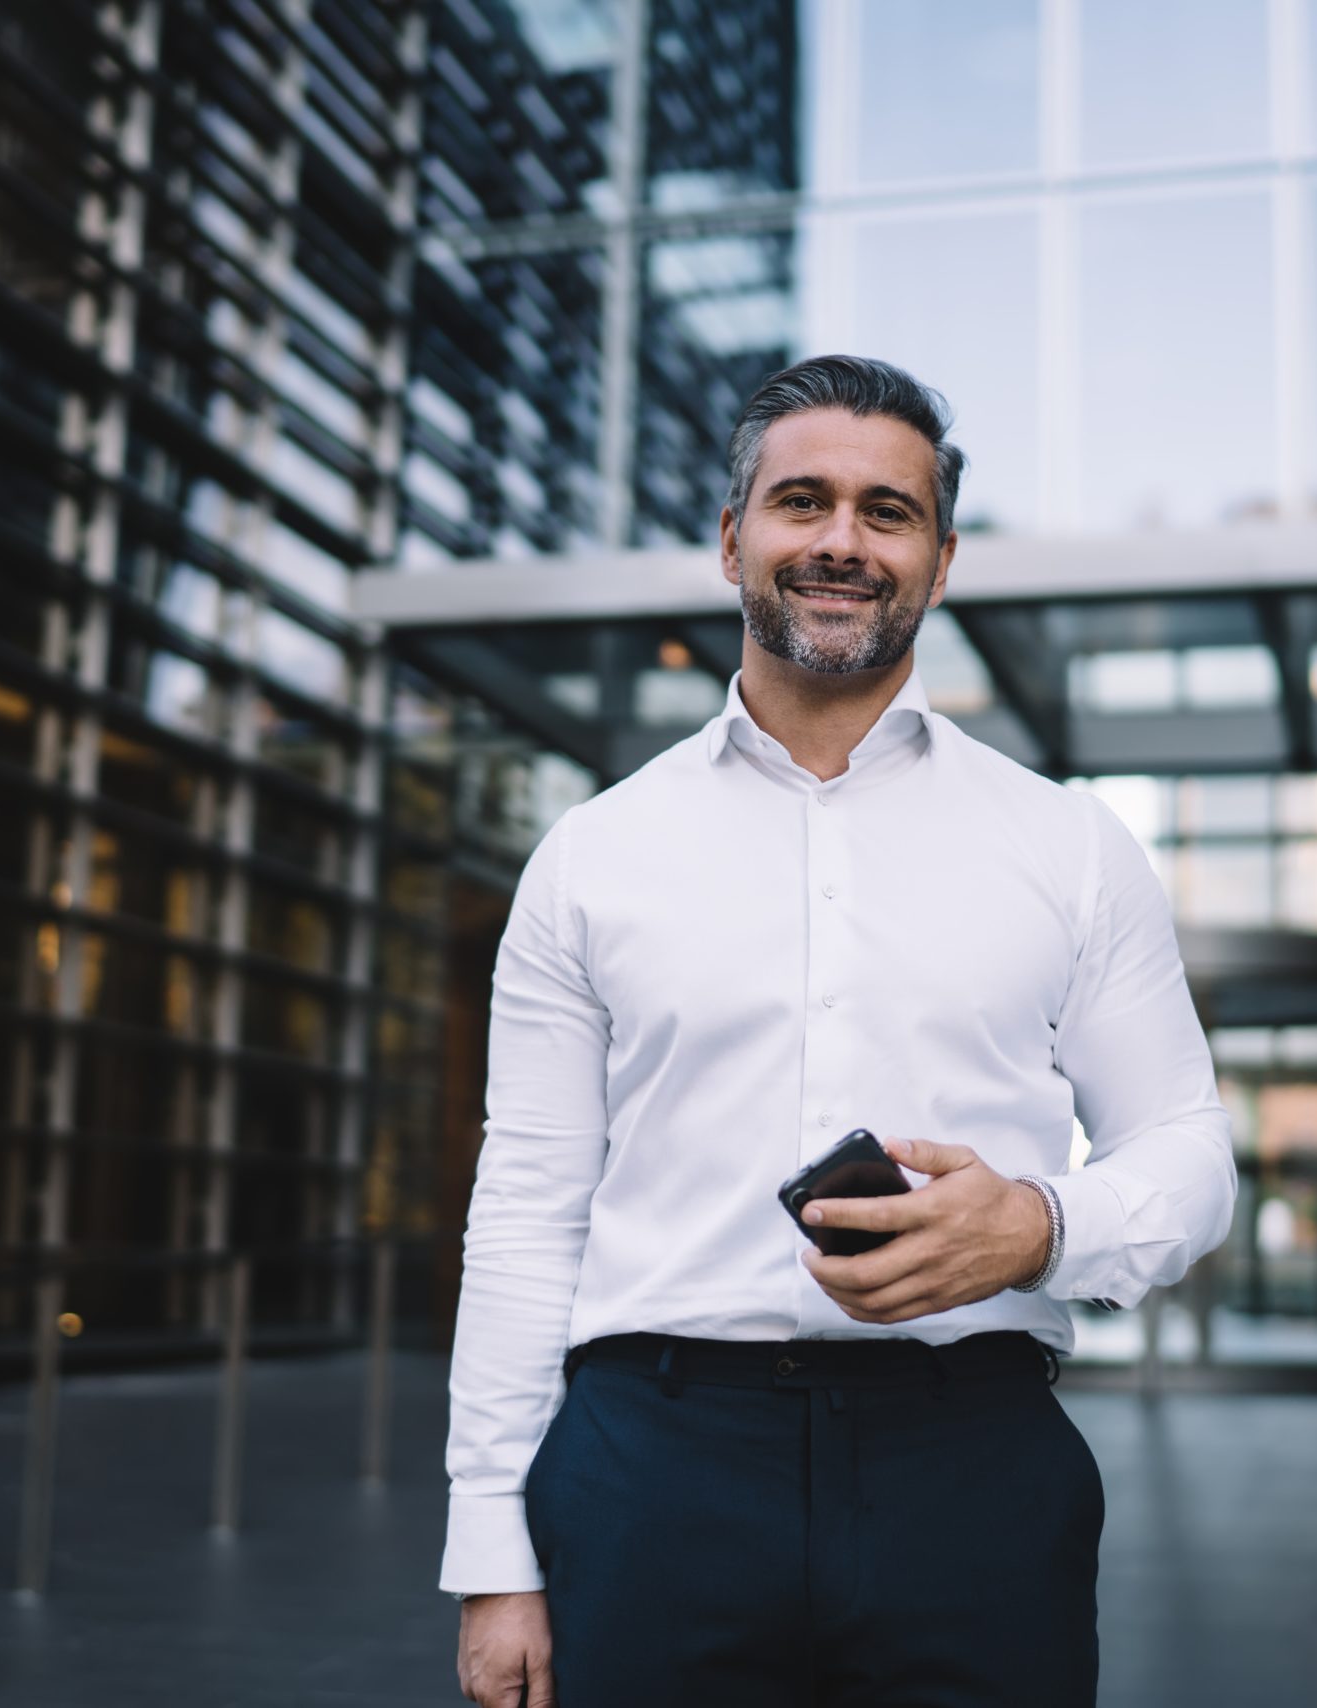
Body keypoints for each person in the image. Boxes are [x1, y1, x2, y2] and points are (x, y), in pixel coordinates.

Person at [446, 354, 1237, 1706]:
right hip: (652, 1473)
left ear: (938, 560)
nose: (839, 542)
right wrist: (492, 1553)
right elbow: (527, 1207)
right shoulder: (591, 856)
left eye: (887, 512)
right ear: (731, 539)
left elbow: (1191, 1153)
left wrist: (1037, 1225)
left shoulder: (1068, 846)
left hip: (971, 1469)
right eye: (801, 501)